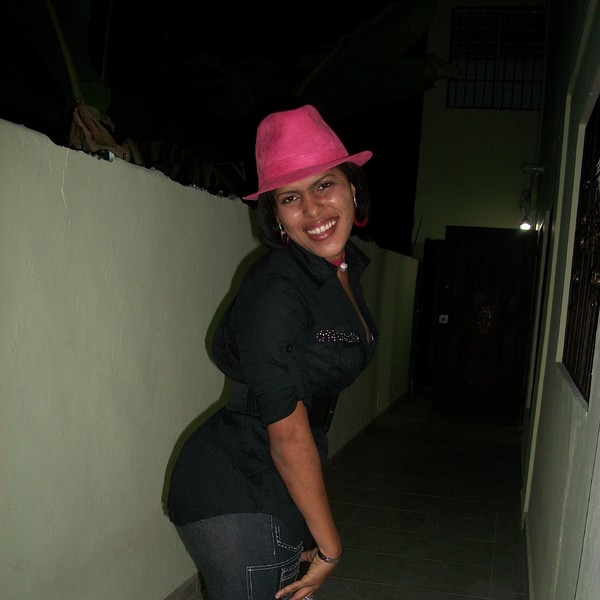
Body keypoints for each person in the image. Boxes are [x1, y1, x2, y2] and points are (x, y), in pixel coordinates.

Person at [167, 104, 379, 600]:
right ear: (276, 215)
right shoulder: (277, 288)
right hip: (240, 482)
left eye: (324, 185)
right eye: (290, 197)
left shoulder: (341, 268)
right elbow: (286, 433)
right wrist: (330, 547)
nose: (313, 210)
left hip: (278, 475)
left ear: (352, 187)